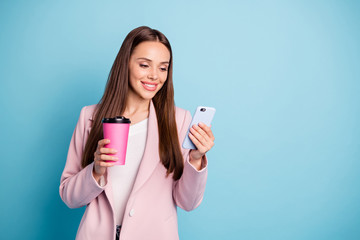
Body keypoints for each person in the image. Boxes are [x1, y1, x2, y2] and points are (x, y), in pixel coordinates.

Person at [59, 26, 215, 240]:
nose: (154, 76)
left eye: (163, 68)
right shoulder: (90, 117)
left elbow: (187, 202)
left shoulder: (178, 120)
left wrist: (196, 160)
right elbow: (69, 197)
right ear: (126, 64)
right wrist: (95, 171)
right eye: (144, 65)